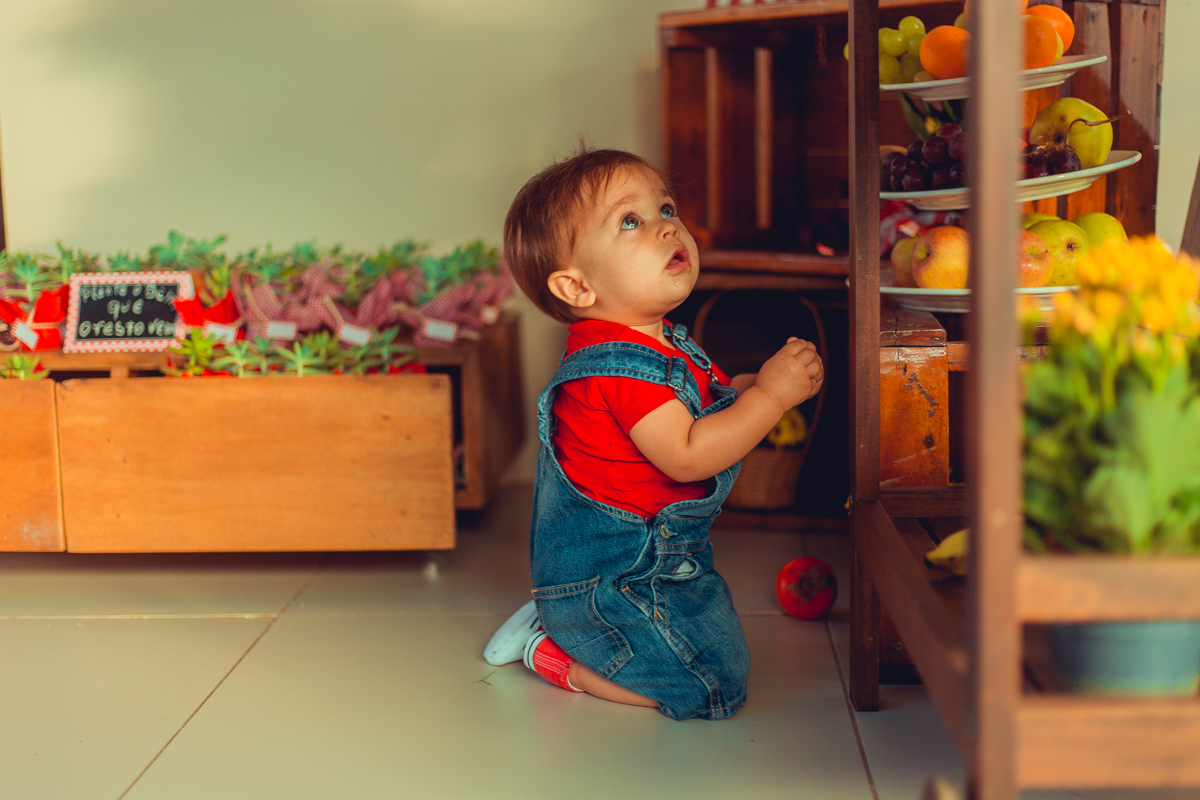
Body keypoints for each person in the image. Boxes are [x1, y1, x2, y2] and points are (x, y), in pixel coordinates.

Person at [484, 147, 824, 721]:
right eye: (631, 221)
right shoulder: (618, 367)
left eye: (665, 207)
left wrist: (751, 387)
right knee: (710, 690)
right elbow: (688, 455)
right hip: (618, 574)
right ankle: (554, 653)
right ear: (577, 288)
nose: (668, 224)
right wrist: (771, 397)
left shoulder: (658, 339)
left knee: (715, 650)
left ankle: (579, 628)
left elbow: (704, 406)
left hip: (662, 559)